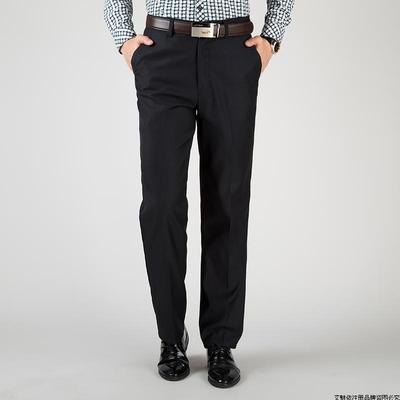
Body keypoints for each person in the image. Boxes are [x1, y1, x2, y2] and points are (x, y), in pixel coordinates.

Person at [104, 0, 294, 388]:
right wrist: (124, 38)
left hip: (232, 51)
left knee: (228, 201)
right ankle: (171, 336)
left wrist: (271, 37)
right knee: (161, 204)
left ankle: (221, 341)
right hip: (163, 51)